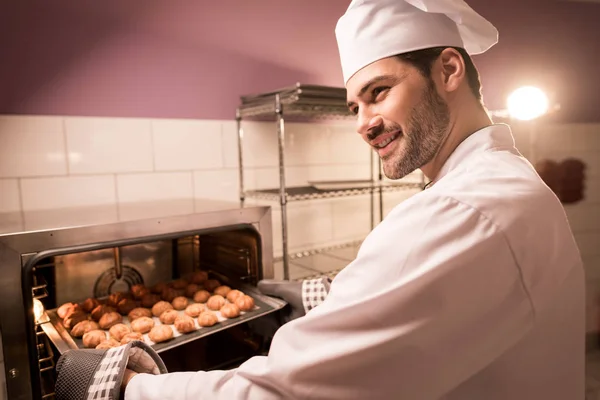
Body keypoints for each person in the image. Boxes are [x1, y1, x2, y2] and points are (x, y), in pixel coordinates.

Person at [121, 0, 585, 398]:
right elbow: (453, 309)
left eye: (379, 92)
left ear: (448, 70)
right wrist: (328, 297)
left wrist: (128, 390)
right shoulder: (505, 181)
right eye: (354, 107)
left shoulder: (462, 210)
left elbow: (287, 390)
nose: (363, 123)